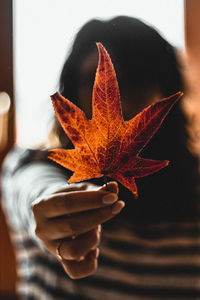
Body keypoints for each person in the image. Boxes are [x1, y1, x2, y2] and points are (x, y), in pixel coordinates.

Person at [1, 16, 200, 300]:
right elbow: (35, 190)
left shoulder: (193, 188)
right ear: (70, 94)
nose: (115, 99)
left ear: (166, 92)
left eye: (133, 81)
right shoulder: (32, 164)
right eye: (90, 80)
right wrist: (57, 206)